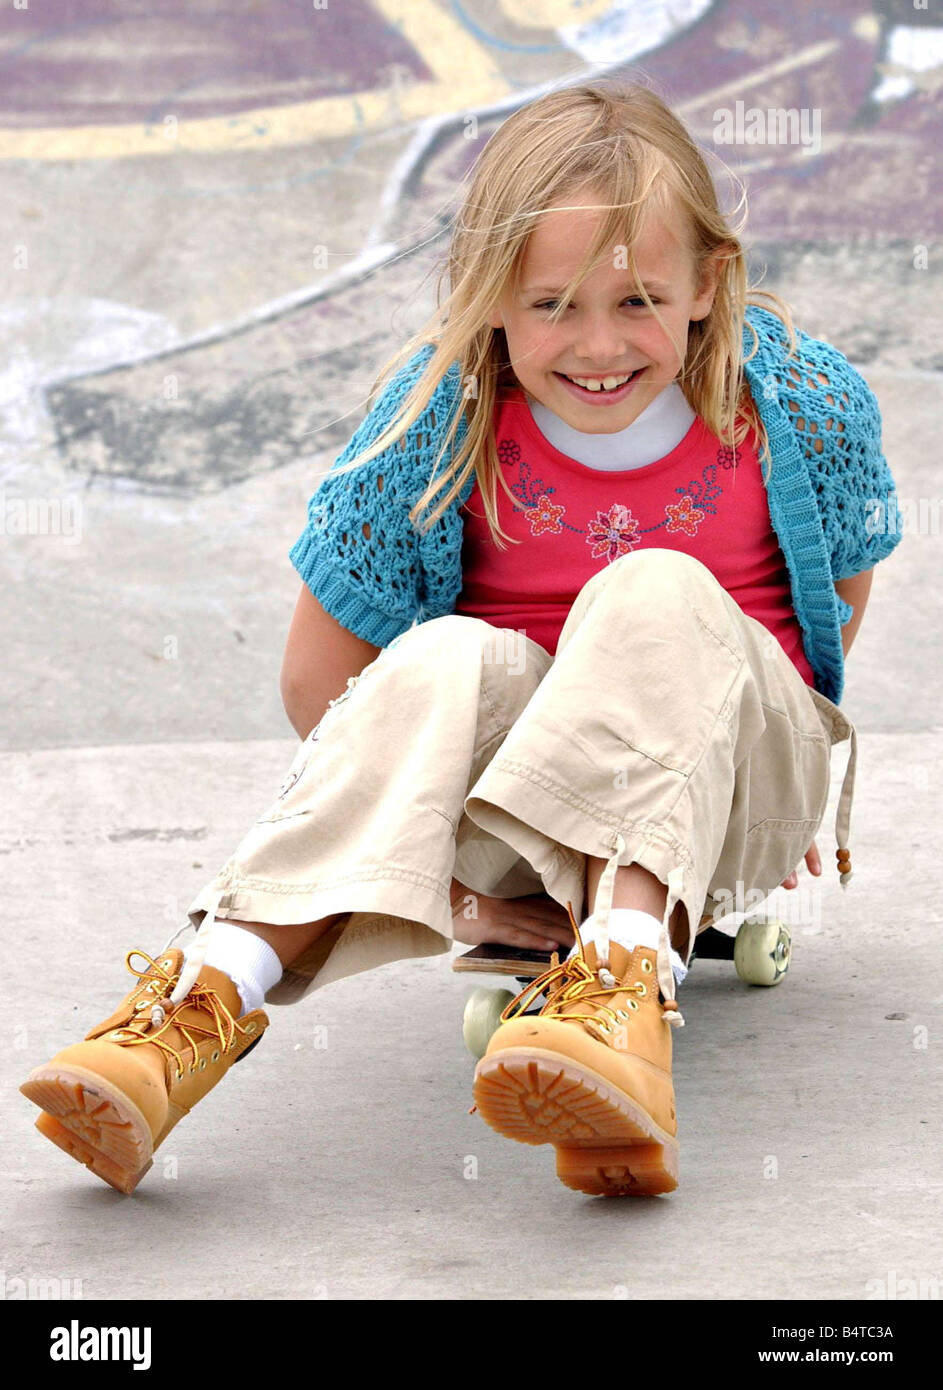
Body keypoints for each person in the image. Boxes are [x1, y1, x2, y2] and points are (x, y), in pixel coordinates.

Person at [21, 80, 901, 1198]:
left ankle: (624, 982)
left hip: (723, 796)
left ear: (706, 283)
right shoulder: (435, 421)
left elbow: (834, 607)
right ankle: (198, 1003)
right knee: (435, 656)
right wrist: (468, 903)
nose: (596, 345)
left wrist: (758, 756)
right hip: (519, 817)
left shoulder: (797, 406)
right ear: (487, 297)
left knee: (653, 590)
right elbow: (328, 694)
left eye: (637, 300)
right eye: (550, 307)